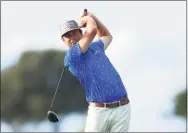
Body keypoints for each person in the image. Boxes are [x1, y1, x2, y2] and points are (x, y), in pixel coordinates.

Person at [60, 10, 131, 132]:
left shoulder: (96, 46)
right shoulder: (72, 56)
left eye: (73, 33)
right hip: (99, 112)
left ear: (81, 33)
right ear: (63, 40)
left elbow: (106, 36)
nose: (71, 38)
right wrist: (88, 19)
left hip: (122, 108)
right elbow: (92, 30)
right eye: (67, 36)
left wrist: (93, 17)